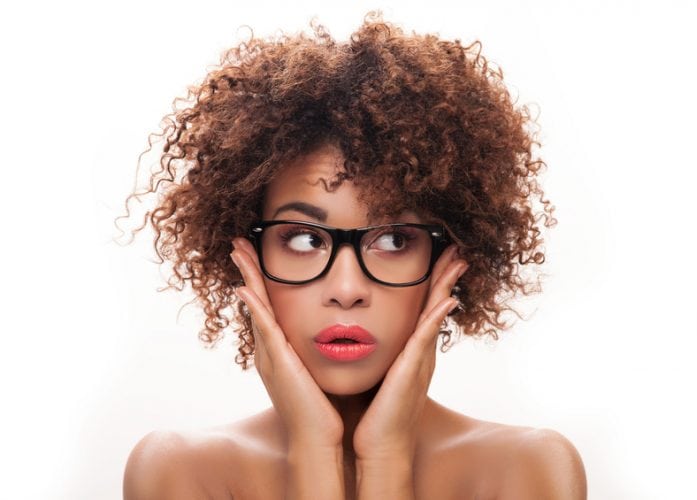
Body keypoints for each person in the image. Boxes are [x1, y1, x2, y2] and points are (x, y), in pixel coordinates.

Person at [121, 13, 586, 499]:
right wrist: (312, 450)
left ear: (450, 258)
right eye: (304, 239)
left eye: (393, 240)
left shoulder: (526, 471)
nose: (347, 290)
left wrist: (385, 457)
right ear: (247, 256)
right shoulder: (179, 472)